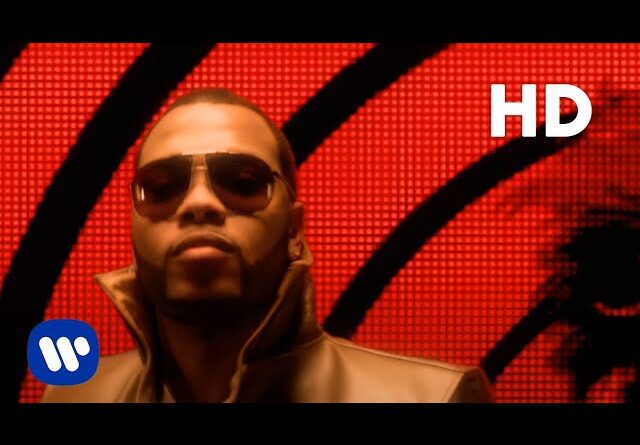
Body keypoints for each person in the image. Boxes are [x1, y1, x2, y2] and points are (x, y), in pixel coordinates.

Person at [42, 88, 494, 403]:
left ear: (295, 229)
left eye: (243, 182)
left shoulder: (434, 398)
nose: (199, 203)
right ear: (132, 224)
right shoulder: (71, 396)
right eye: (161, 188)